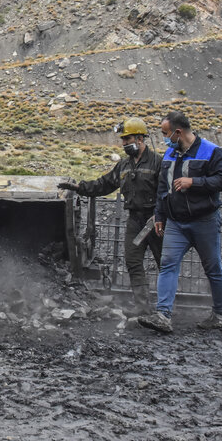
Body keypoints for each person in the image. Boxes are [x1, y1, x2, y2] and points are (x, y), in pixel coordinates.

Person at [139, 111, 222, 333]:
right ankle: (163, 315)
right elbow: (163, 189)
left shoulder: (212, 151)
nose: (163, 138)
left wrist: (195, 182)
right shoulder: (170, 154)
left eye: (165, 133)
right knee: (168, 264)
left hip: (205, 221)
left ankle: (221, 315)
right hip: (175, 222)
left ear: (178, 132)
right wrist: (160, 215)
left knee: (213, 268)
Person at [58, 117, 162, 314]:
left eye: (127, 138)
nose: (124, 143)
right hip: (135, 220)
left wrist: (161, 215)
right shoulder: (123, 166)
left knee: (164, 263)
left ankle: (165, 309)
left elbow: (166, 193)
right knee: (132, 261)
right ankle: (142, 307)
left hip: (155, 219)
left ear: (140, 138)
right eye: (123, 139)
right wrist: (80, 187)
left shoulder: (158, 163)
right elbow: (104, 184)